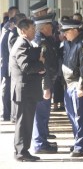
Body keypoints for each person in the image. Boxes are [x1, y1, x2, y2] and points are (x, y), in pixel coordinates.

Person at [10, 18, 45, 161]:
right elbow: (26, 67)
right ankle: (21, 152)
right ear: (23, 31)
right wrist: (40, 65)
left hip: (27, 91)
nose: (34, 31)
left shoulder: (26, 43)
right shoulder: (21, 45)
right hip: (24, 91)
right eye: (32, 29)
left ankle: (23, 150)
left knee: (26, 122)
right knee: (23, 122)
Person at [61, 19, 83, 157]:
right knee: (72, 115)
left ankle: (80, 146)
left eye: (66, 32)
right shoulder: (68, 43)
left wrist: (81, 87)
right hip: (68, 85)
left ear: (74, 30)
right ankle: (79, 141)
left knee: (80, 116)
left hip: (77, 84)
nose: (64, 35)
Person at [31, 13, 59, 154]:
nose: (52, 29)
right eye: (50, 26)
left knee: (42, 115)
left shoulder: (44, 40)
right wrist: (46, 86)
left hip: (44, 84)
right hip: (43, 84)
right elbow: (44, 67)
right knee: (41, 115)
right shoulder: (42, 43)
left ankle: (41, 141)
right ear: (44, 27)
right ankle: (40, 144)